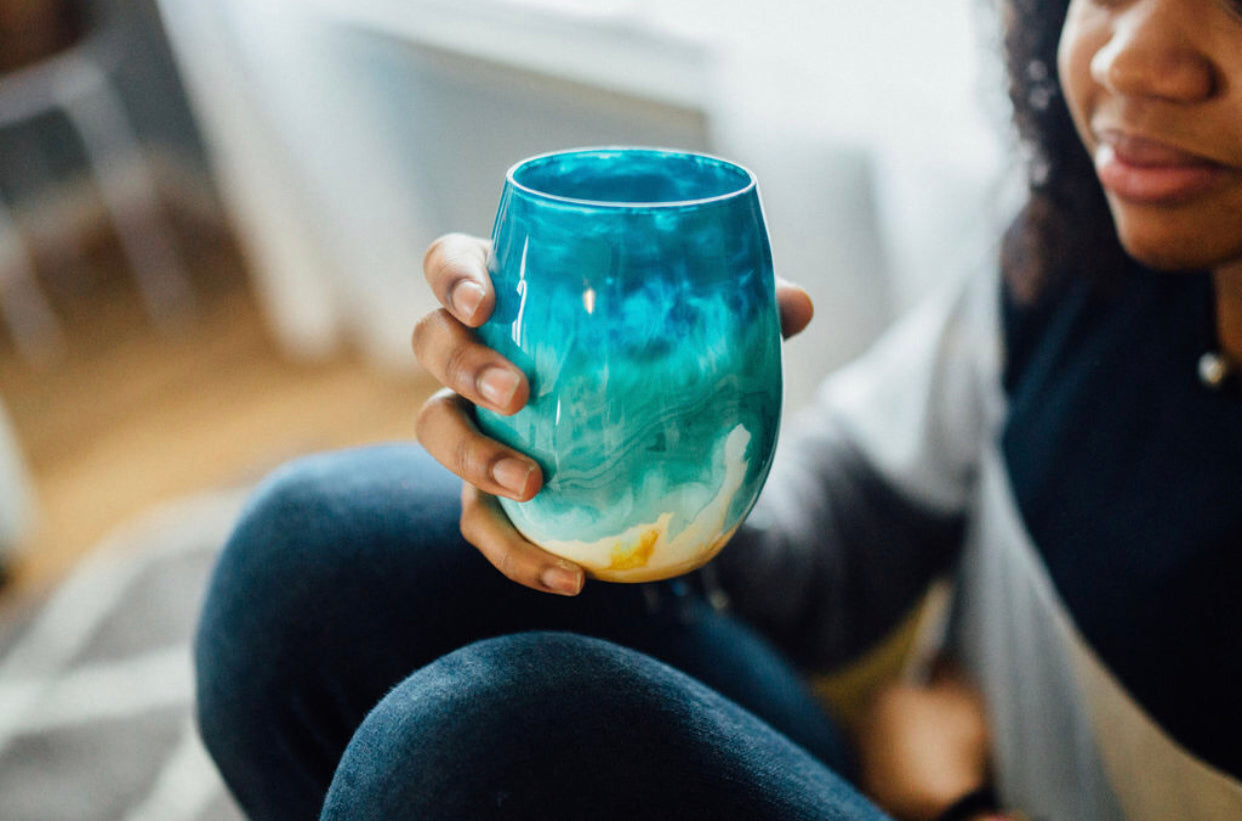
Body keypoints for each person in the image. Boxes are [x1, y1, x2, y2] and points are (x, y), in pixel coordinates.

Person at [193, 0, 1242, 818]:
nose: (1128, 60)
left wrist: (958, 803)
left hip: (937, 783)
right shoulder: (1082, 244)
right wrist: (660, 478)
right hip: (888, 765)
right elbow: (857, 516)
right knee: (305, 555)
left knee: (470, 755)